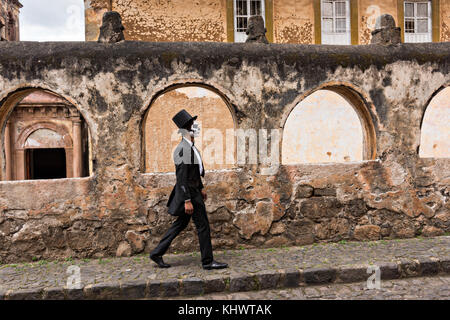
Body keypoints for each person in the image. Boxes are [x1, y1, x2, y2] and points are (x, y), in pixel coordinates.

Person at [149, 109, 228, 270]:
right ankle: (207, 261)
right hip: (190, 195)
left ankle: (157, 252)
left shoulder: (190, 147)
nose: (196, 128)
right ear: (187, 129)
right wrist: (187, 200)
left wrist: (201, 187)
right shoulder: (183, 149)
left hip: (195, 191)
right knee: (203, 225)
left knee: (180, 224)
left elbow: (194, 172)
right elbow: (182, 177)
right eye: (193, 125)